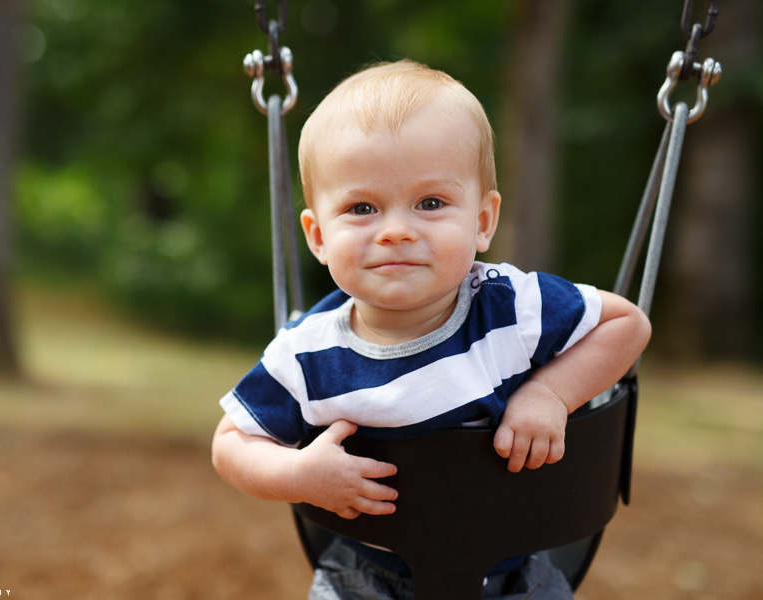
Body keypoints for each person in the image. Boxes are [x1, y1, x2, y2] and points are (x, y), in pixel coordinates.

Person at [211, 60, 652, 599]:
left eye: (431, 203)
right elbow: (231, 443)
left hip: (515, 572)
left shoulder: (510, 305)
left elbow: (625, 323)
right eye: (363, 207)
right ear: (319, 235)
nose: (397, 231)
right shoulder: (308, 353)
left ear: (483, 221)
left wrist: (549, 394)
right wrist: (298, 475)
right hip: (365, 577)